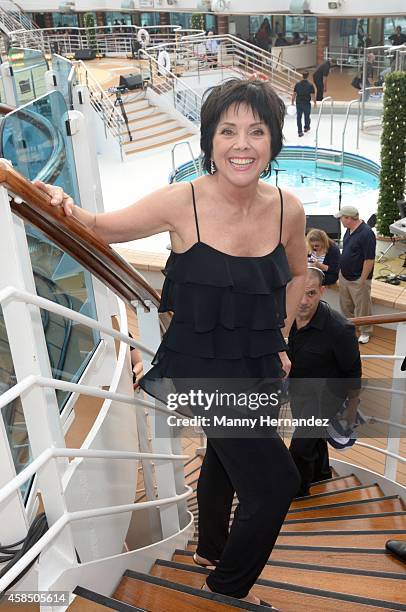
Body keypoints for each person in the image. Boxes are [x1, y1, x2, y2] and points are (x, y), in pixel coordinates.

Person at [36, 79, 307, 607]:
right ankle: (227, 590)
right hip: (204, 370)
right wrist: (64, 202)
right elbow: (99, 227)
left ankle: (210, 547)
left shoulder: (287, 209)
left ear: (274, 141)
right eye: (227, 131)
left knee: (226, 460)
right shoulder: (182, 202)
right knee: (275, 483)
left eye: (257, 131)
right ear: (209, 141)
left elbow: (297, 272)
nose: (242, 144)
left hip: (258, 364)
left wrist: (281, 332)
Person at [288, 267, 362, 496]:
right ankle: (321, 474)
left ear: (321, 291)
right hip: (299, 390)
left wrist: (352, 408)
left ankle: (295, 493)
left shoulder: (339, 329)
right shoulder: (287, 316)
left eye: (310, 293)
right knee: (313, 438)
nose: (303, 301)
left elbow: (353, 370)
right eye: (299, 292)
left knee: (300, 447)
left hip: (326, 396)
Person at [335, 205, 376, 344]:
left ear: (349, 218)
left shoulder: (366, 233)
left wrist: (362, 280)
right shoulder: (349, 229)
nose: (340, 220)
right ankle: (351, 327)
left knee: (362, 307)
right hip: (345, 275)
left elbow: (369, 259)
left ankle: (366, 331)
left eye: (341, 217)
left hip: (359, 278)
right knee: (346, 305)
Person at [291, 71, 315, 137]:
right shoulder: (310, 85)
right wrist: (315, 103)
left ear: (302, 76)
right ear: (308, 76)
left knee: (299, 117)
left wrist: (292, 102)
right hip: (307, 103)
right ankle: (306, 128)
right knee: (307, 116)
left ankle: (300, 132)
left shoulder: (297, 84)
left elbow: (294, 94)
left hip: (299, 103)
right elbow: (313, 95)